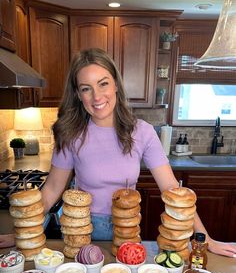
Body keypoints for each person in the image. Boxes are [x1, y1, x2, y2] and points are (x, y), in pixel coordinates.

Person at [0, 48, 236, 258]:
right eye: (86, 88)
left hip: (126, 229)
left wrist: (205, 239)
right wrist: (23, 233)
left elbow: (174, 192)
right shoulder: (70, 133)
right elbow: (51, 190)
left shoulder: (142, 132)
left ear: (115, 85)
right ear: (78, 94)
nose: (97, 97)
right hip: (79, 230)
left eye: (103, 83)